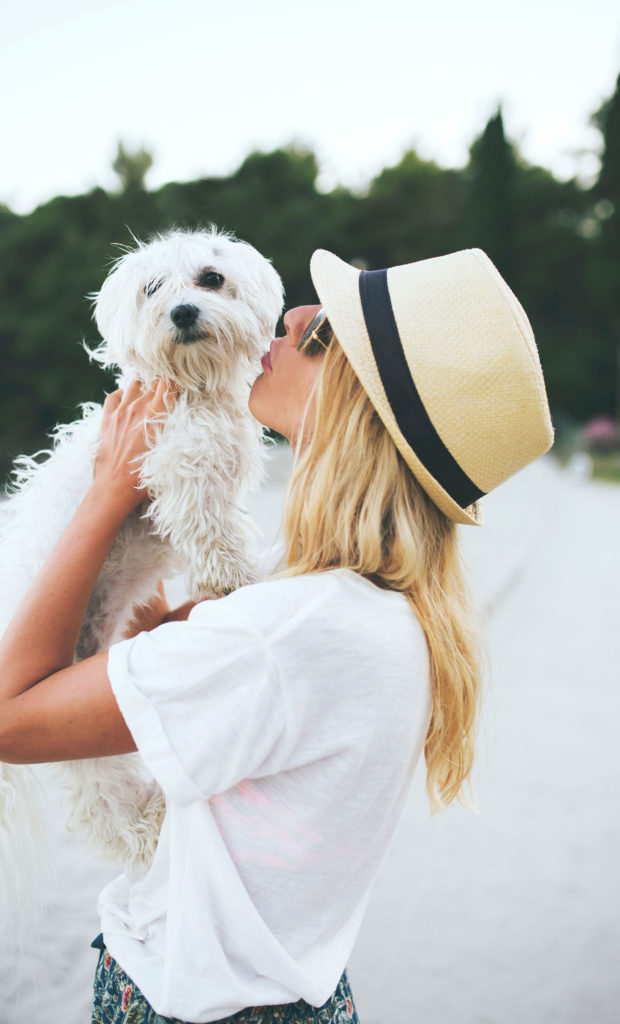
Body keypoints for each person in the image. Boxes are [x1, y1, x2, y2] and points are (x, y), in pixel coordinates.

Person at [0, 246, 553, 1023]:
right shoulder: (343, 593)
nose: (290, 316)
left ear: (360, 406)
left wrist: (108, 490)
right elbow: (158, 643)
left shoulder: (289, 628)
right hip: (296, 993)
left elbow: (10, 719)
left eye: (322, 331)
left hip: (190, 1004)